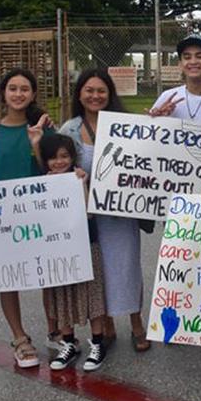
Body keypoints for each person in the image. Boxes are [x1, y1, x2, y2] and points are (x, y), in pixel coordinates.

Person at [60, 69, 150, 352]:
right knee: (99, 273)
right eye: (89, 90)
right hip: (88, 218)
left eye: (101, 91)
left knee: (127, 267)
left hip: (121, 215)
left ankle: (137, 324)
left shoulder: (128, 125)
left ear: (110, 93)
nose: (95, 96)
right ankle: (107, 325)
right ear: (79, 94)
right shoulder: (69, 130)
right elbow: (56, 167)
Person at [0, 68, 52, 368]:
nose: (19, 94)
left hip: (39, 212)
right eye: (13, 88)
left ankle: (56, 329)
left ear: (33, 94)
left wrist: (36, 143)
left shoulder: (44, 128)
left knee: (49, 274)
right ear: (3, 92)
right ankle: (19, 336)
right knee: (8, 278)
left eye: (25, 89)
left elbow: (55, 169)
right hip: (2, 215)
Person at [38, 133, 109, 372]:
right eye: (53, 158)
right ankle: (68, 342)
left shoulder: (78, 177)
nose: (59, 162)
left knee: (92, 294)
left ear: (72, 157)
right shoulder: (40, 183)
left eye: (64, 156)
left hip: (86, 244)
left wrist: (83, 184)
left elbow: (89, 213)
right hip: (57, 249)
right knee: (63, 296)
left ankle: (98, 343)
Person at [149, 33, 201, 126]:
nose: (193, 62)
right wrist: (157, 118)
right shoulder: (168, 98)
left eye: (199, 56)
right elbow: (147, 134)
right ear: (180, 64)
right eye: (187, 57)